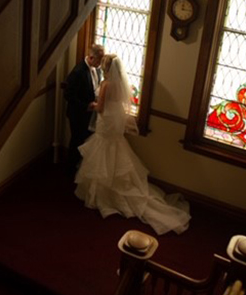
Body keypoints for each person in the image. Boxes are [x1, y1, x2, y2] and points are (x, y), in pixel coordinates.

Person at [75, 54, 190, 235]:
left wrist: (91, 105)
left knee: (103, 149)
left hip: (106, 121)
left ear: (105, 68)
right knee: (116, 147)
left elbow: (101, 107)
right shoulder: (121, 84)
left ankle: (103, 195)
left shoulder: (106, 84)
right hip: (115, 121)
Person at [64, 44, 104, 174]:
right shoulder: (78, 72)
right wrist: (86, 106)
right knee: (76, 141)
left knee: (86, 141)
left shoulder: (97, 70)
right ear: (91, 57)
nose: (101, 64)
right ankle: (70, 169)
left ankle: (81, 168)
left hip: (89, 115)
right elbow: (68, 95)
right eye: (99, 60)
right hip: (77, 114)